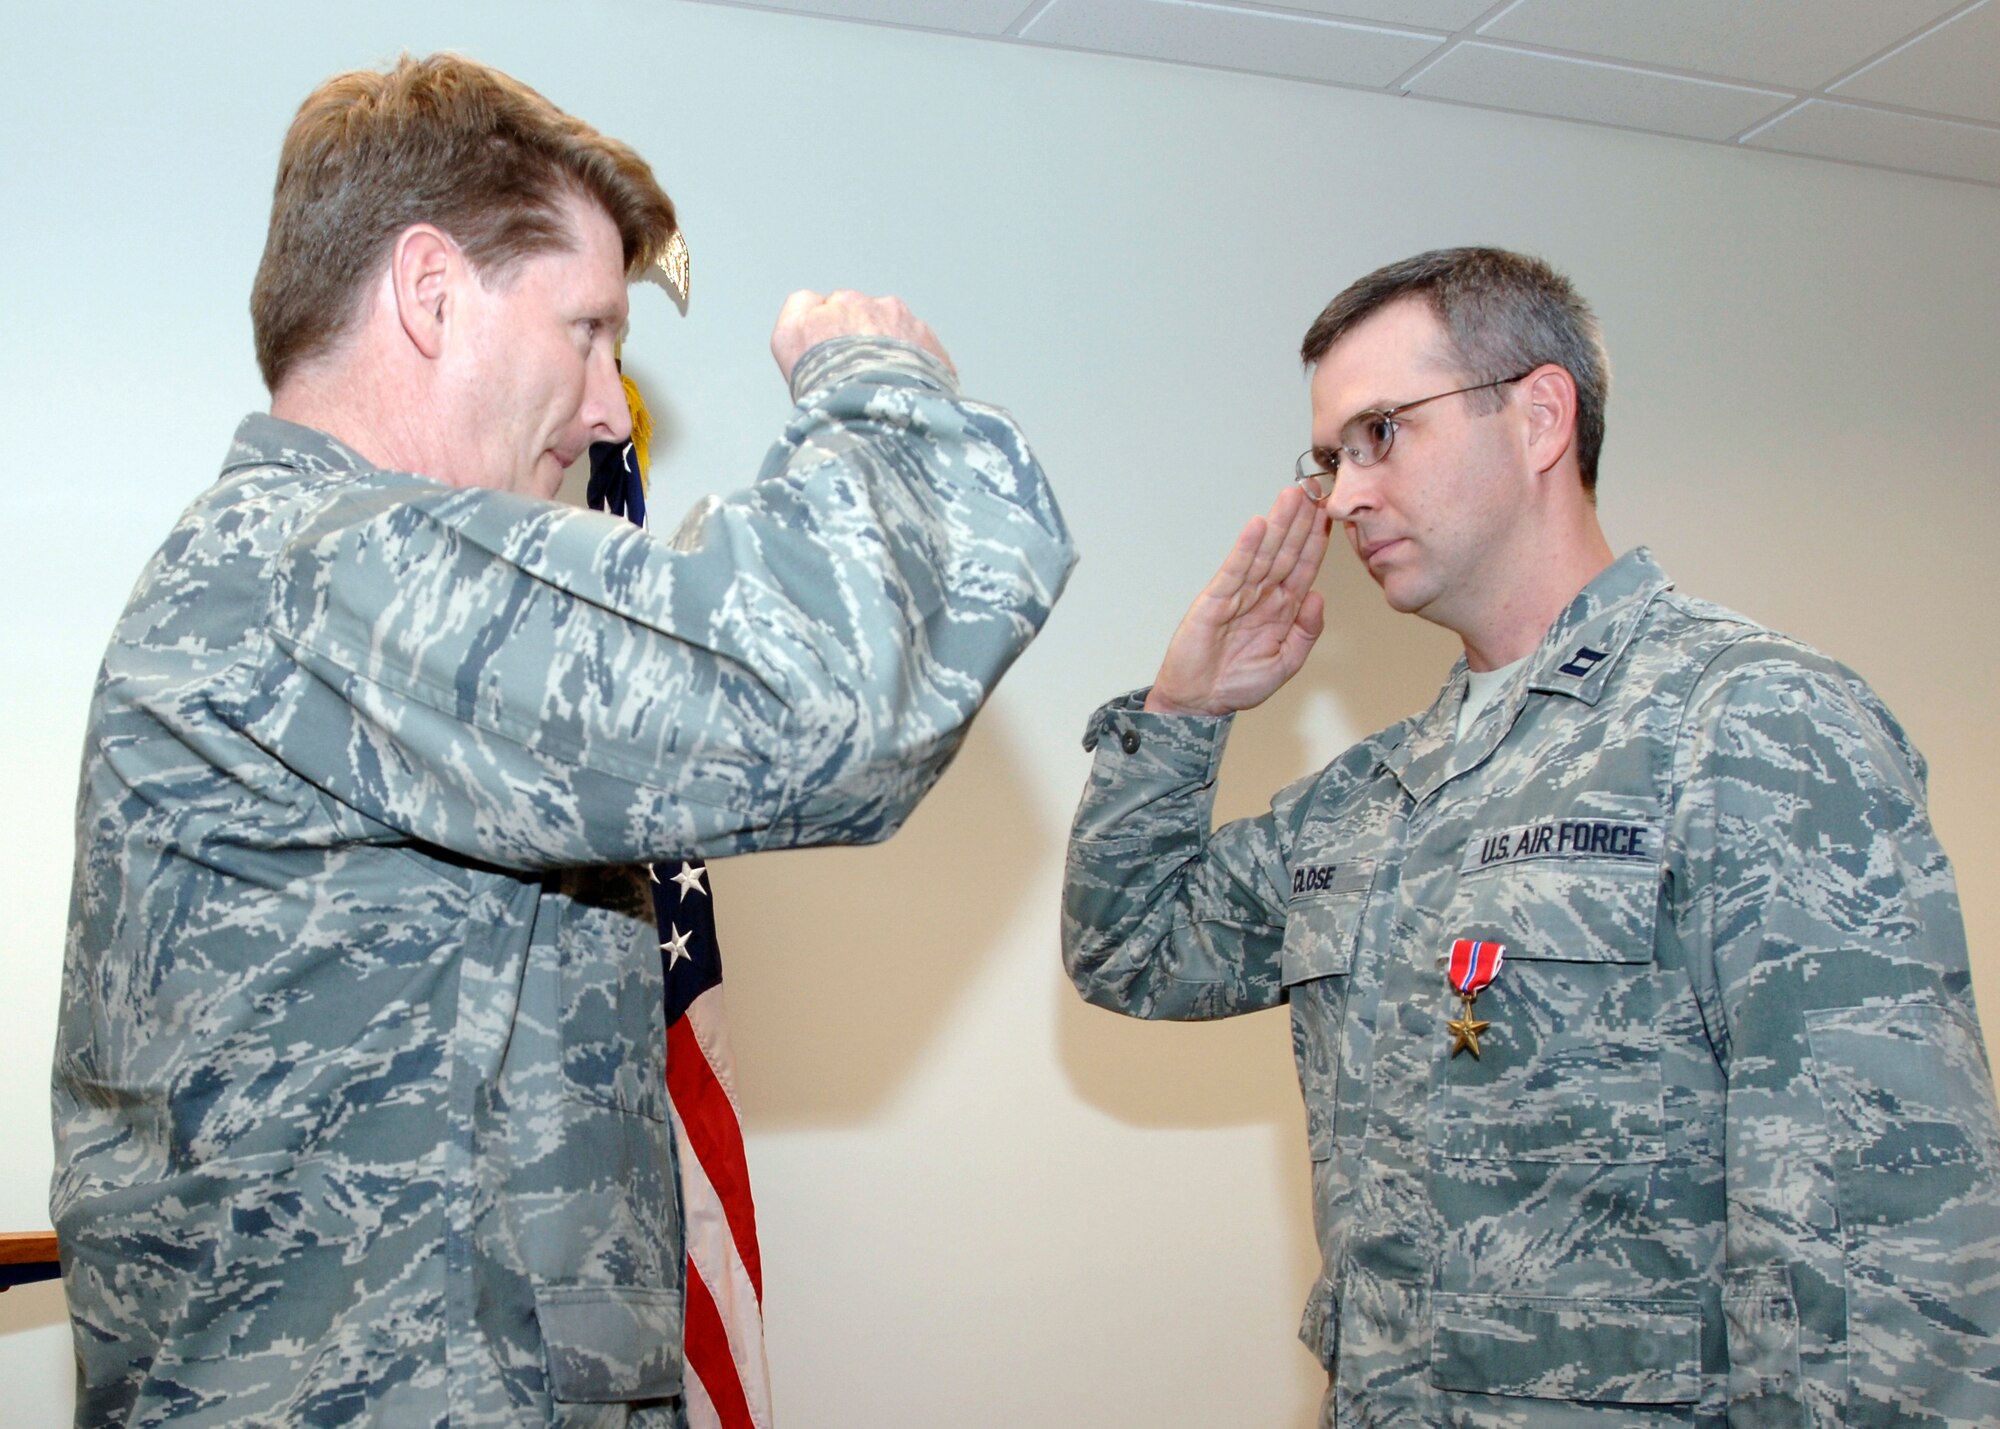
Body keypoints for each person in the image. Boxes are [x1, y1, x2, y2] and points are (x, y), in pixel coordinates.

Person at [53, 53, 1074, 1427]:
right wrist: (875, 388)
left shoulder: (315, 580)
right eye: (587, 330)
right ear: (430, 292)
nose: (609, 409)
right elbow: (816, 700)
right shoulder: (325, 571)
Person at [1063, 247, 1999, 1424]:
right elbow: (1131, 948)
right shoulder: (1377, 793)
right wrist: (1182, 714)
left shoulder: (1746, 723)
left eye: (1380, 433)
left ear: (1539, 416)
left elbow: (1878, 1245)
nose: (1341, 498)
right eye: (1330, 458)